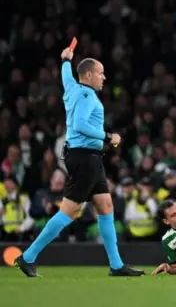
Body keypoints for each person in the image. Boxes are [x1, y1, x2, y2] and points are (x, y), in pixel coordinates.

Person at [15, 47, 143, 277]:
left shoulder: (73, 88)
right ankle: (28, 256)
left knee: (105, 206)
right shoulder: (86, 96)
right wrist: (108, 137)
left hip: (86, 157)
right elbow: (81, 124)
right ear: (89, 75)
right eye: (101, 73)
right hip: (85, 158)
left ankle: (116, 265)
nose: (104, 77)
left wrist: (65, 59)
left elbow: (66, 75)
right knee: (70, 211)